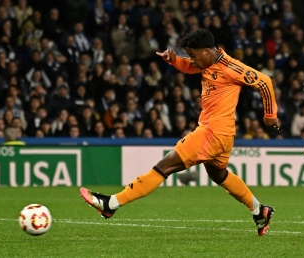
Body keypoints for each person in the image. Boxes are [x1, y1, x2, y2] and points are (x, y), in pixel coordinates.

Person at [80, 29, 281, 236]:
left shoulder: (230, 66)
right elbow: (190, 66)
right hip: (223, 135)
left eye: (193, 54)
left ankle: (111, 204)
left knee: (163, 167)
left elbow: (265, 81)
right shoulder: (207, 62)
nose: (192, 59)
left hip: (211, 133)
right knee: (218, 175)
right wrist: (175, 59)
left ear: (206, 51)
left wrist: (270, 115)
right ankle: (260, 211)